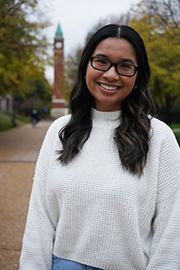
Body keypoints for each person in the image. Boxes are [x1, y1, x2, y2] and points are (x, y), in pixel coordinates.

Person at [19, 24, 180, 270]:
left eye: (125, 66)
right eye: (101, 62)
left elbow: (172, 232)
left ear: (138, 75)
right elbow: (40, 219)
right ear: (86, 66)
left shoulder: (159, 137)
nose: (111, 75)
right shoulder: (60, 130)